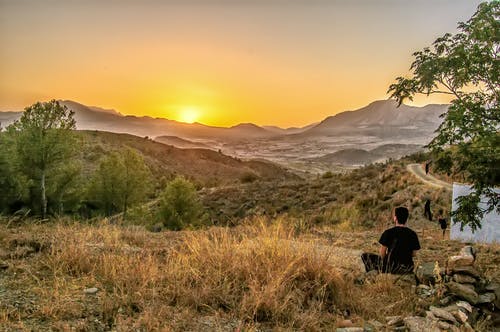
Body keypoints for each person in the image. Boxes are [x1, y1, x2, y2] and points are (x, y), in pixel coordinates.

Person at [361, 207, 421, 274]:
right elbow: (414, 254)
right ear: (407, 219)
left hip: (391, 267)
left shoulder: (388, 232)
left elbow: (382, 253)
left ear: (395, 218)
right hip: (407, 267)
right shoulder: (413, 234)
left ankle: (373, 275)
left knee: (365, 256)